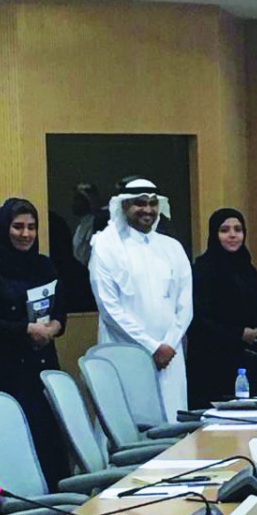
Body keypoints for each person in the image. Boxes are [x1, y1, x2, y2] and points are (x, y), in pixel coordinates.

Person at [89, 178, 192, 420]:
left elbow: (185, 305)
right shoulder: (105, 246)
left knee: (172, 420)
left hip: (170, 356)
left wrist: (168, 345)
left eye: (152, 203)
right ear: (124, 206)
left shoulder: (172, 247)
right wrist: (152, 347)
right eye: (140, 203)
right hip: (125, 353)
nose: (147, 210)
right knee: (128, 424)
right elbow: (109, 308)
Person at [0, 199, 68, 489]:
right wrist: (24, 329)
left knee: (47, 440)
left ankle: (55, 503)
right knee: (10, 442)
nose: (25, 234)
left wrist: (55, 326)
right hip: (5, 371)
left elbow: (60, 306)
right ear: (3, 229)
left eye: (32, 227)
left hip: (41, 366)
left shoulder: (43, 265)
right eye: (18, 226)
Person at [186, 208, 257, 408]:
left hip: (247, 361)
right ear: (214, 234)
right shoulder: (202, 270)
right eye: (224, 230)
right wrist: (237, 333)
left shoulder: (249, 270)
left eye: (238, 229)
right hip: (212, 363)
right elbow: (199, 318)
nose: (233, 235)